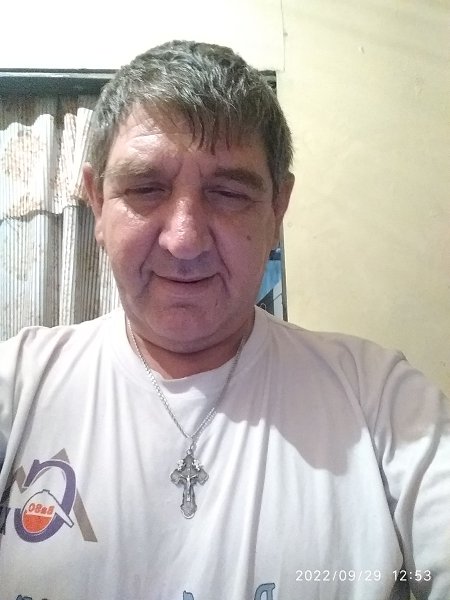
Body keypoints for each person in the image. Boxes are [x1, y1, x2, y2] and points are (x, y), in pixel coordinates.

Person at [0, 40, 449, 600]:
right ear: (97, 202)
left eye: (230, 193)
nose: (184, 240)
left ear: (278, 209)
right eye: (145, 189)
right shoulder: (18, 386)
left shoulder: (380, 401)